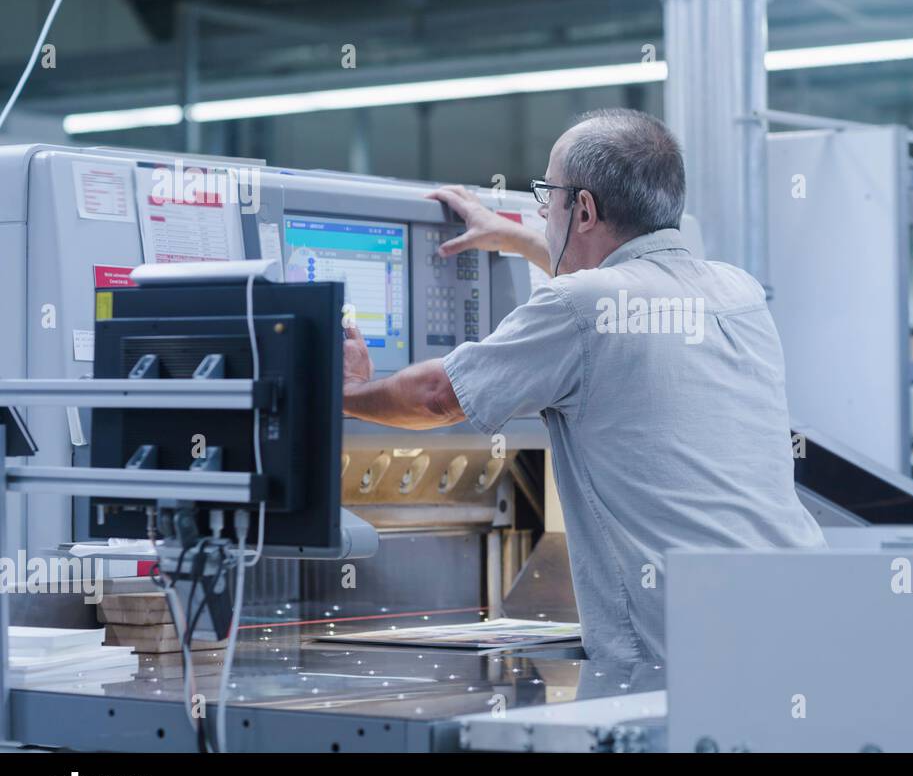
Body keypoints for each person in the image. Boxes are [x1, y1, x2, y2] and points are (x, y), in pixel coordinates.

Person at [341, 108, 826, 662]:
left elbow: (437, 397)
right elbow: (626, 285)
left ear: (586, 209)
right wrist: (517, 238)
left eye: (549, 196)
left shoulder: (579, 307)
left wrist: (347, 390)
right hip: (802, 619)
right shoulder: (737, 291)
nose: (545, 212)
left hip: (691, 650)